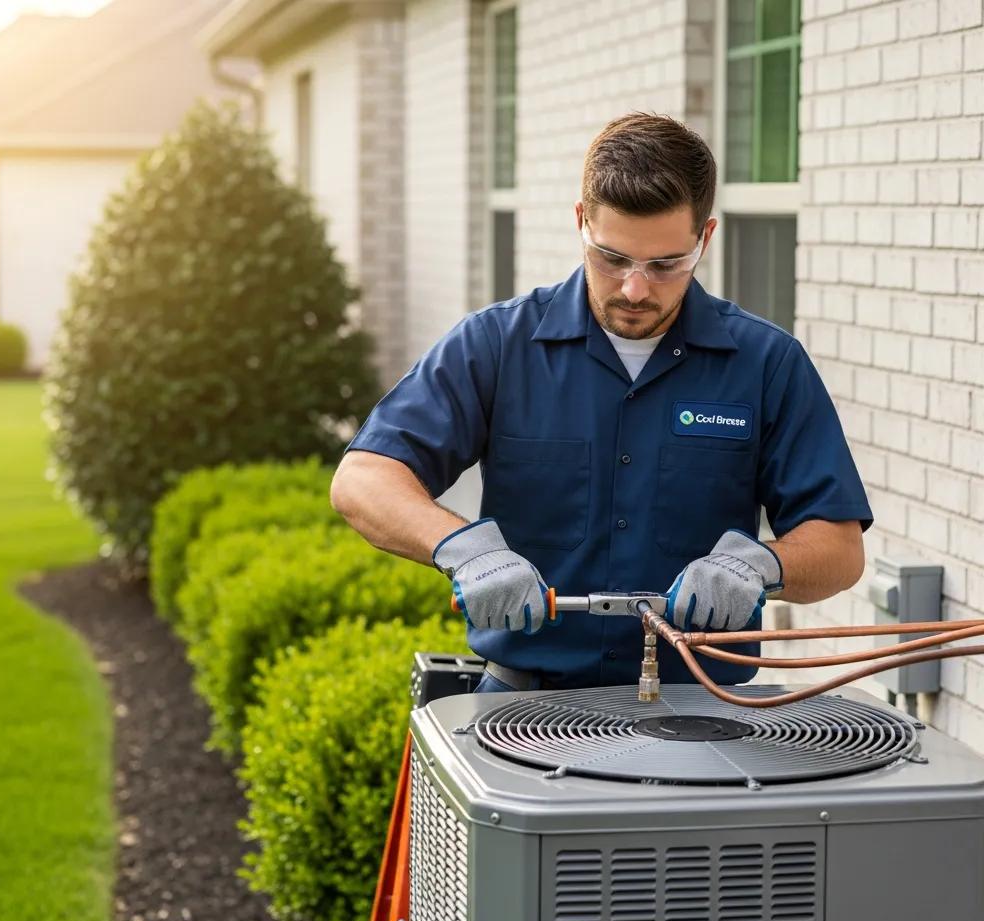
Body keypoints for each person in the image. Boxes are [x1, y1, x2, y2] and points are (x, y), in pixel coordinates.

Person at [330, 112, 872, 696]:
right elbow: (362, 480)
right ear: (581, 222)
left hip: (706, 712)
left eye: (666, 265)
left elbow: (840, 548)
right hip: (524, 706)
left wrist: (765, 566)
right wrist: (460, 549)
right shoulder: (497, 345)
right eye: (612, 258)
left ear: (705, 239)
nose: (635, 288)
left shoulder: (767, 363)